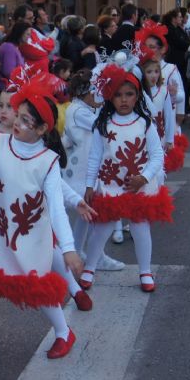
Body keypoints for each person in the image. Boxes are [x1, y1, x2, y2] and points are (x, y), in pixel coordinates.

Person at [0, 81, 93, 359]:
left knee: (33, 284)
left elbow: (57, 207)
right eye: (19, 115)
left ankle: (64, 332)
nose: (17, 122)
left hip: (27, 236)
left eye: (27, 120)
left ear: (41, 130)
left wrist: (69, 248)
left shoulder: (47, 161)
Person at [81, 64, 172, 293]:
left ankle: (145, 271)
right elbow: (95, 156)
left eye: (129, 94)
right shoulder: (102, 124)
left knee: (141, 227)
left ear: (137, 96)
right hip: (111, 185)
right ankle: (90, 267)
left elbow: (157, 155)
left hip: (138, 186)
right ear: (110, 97)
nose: (123, 100)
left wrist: (144, 177)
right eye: (118, 95)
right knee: (102, 229)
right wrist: (90, 184)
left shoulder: (145, 122)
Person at [61, 69, 125, 273]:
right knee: (91, 214)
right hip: (83, 173)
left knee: (86, 216)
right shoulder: (79, 111)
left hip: (86, 170)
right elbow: (104, 126)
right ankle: (93, 255)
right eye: (96, 90)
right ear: (84, 93)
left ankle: (85, 252)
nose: (99, 94)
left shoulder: (81, 109)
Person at [0, 21, 29, 94]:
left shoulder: (14, 47)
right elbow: (9, 72)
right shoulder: (9, 48)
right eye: (27, 34)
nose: (29, 37)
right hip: (5, 90)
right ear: (20, 33)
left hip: (9, 89)